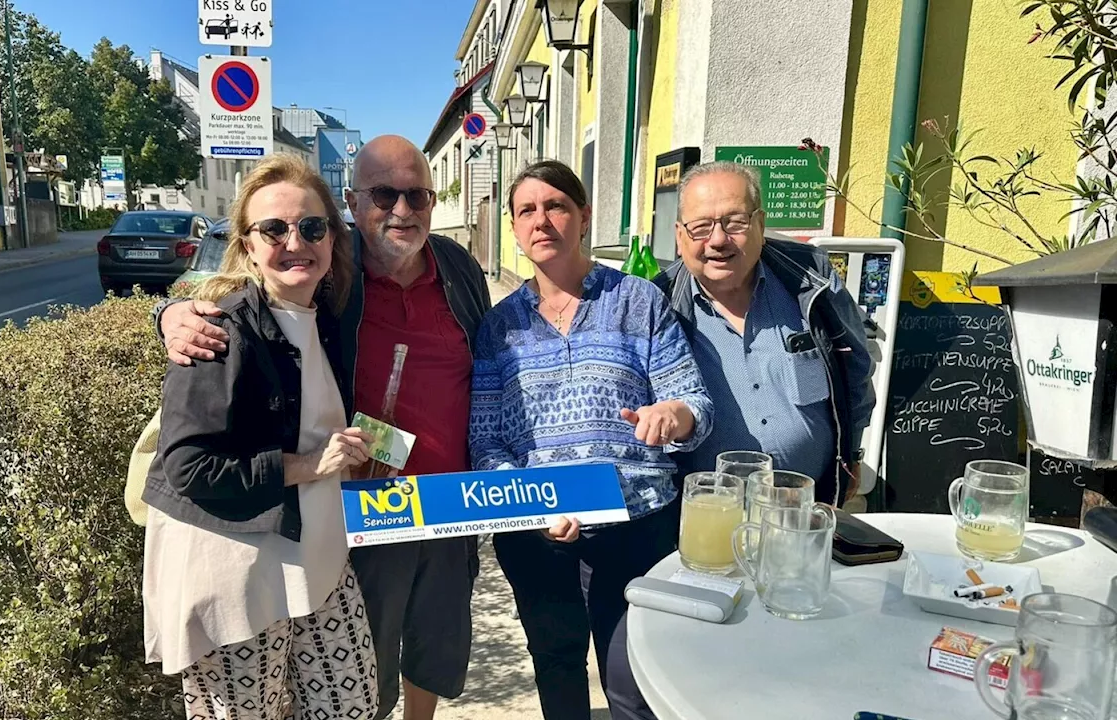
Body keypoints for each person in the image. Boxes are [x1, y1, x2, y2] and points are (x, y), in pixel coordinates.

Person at [155, 135, 490, 720]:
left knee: (427, 652)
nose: (402, 209)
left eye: (418, 194)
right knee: (365, 673)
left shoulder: (455, 267)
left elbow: (490, 365)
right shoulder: (338, 276)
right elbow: (219, 300)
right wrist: (170, 313)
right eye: (384, 195)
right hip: (355, 510)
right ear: (354, 207)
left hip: (443, 501)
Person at [604, 160, 876, 720]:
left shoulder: (810, 283)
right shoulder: (658, 306)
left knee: (796, 648)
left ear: (759, 221)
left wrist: (851, 458)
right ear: (679, 237)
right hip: (705, 521)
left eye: (733, 222)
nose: (717, 241)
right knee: (700, 656)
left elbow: (856, 372)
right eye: (700, 228)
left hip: (799, 513)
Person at [468, 160, 715, 720]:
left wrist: (673, 416)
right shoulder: (498, 326)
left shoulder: (638, 300)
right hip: (538, 534)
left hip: (637, 527)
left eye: (555, 205)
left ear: (582, 216)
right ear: (512, 226)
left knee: (633, 680)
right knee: (556, 664)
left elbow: (695, 404)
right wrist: (530, 506)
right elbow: (485, 440)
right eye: (526, 210)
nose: (542, 221)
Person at [141, 154, 378, 719]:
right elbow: (190, 468)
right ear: (248, 245)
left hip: (316, 561)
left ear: (332, 238)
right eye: (273, 229)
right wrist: (306, 465)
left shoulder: (327, 312)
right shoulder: (219, 332)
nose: (295, 241)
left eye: (311, 227)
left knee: (352, 704)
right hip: (236, 574)